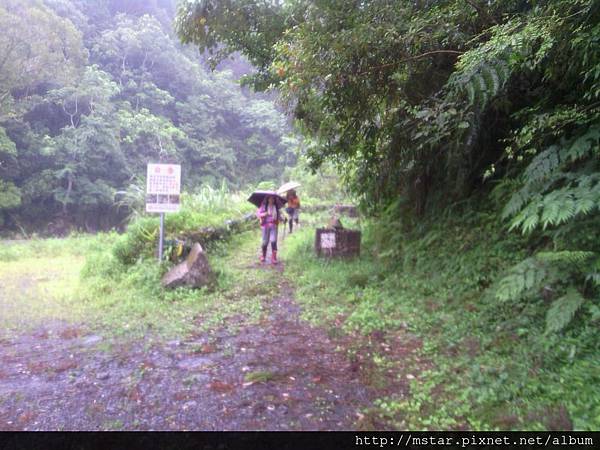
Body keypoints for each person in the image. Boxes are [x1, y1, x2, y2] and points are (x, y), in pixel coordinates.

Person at [256, 195, 281, 264]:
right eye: (270, 199)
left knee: (273, 241)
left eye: (273, 199)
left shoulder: (275, 207)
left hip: (273, 226)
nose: (271, 200)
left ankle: (274, 258)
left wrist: (282, 219)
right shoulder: (263, 206)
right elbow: (258, 214)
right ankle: (263, 256)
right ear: (267, 199)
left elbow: (279, 217)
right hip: (265, 227)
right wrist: (265, 214)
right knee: (265, 242)